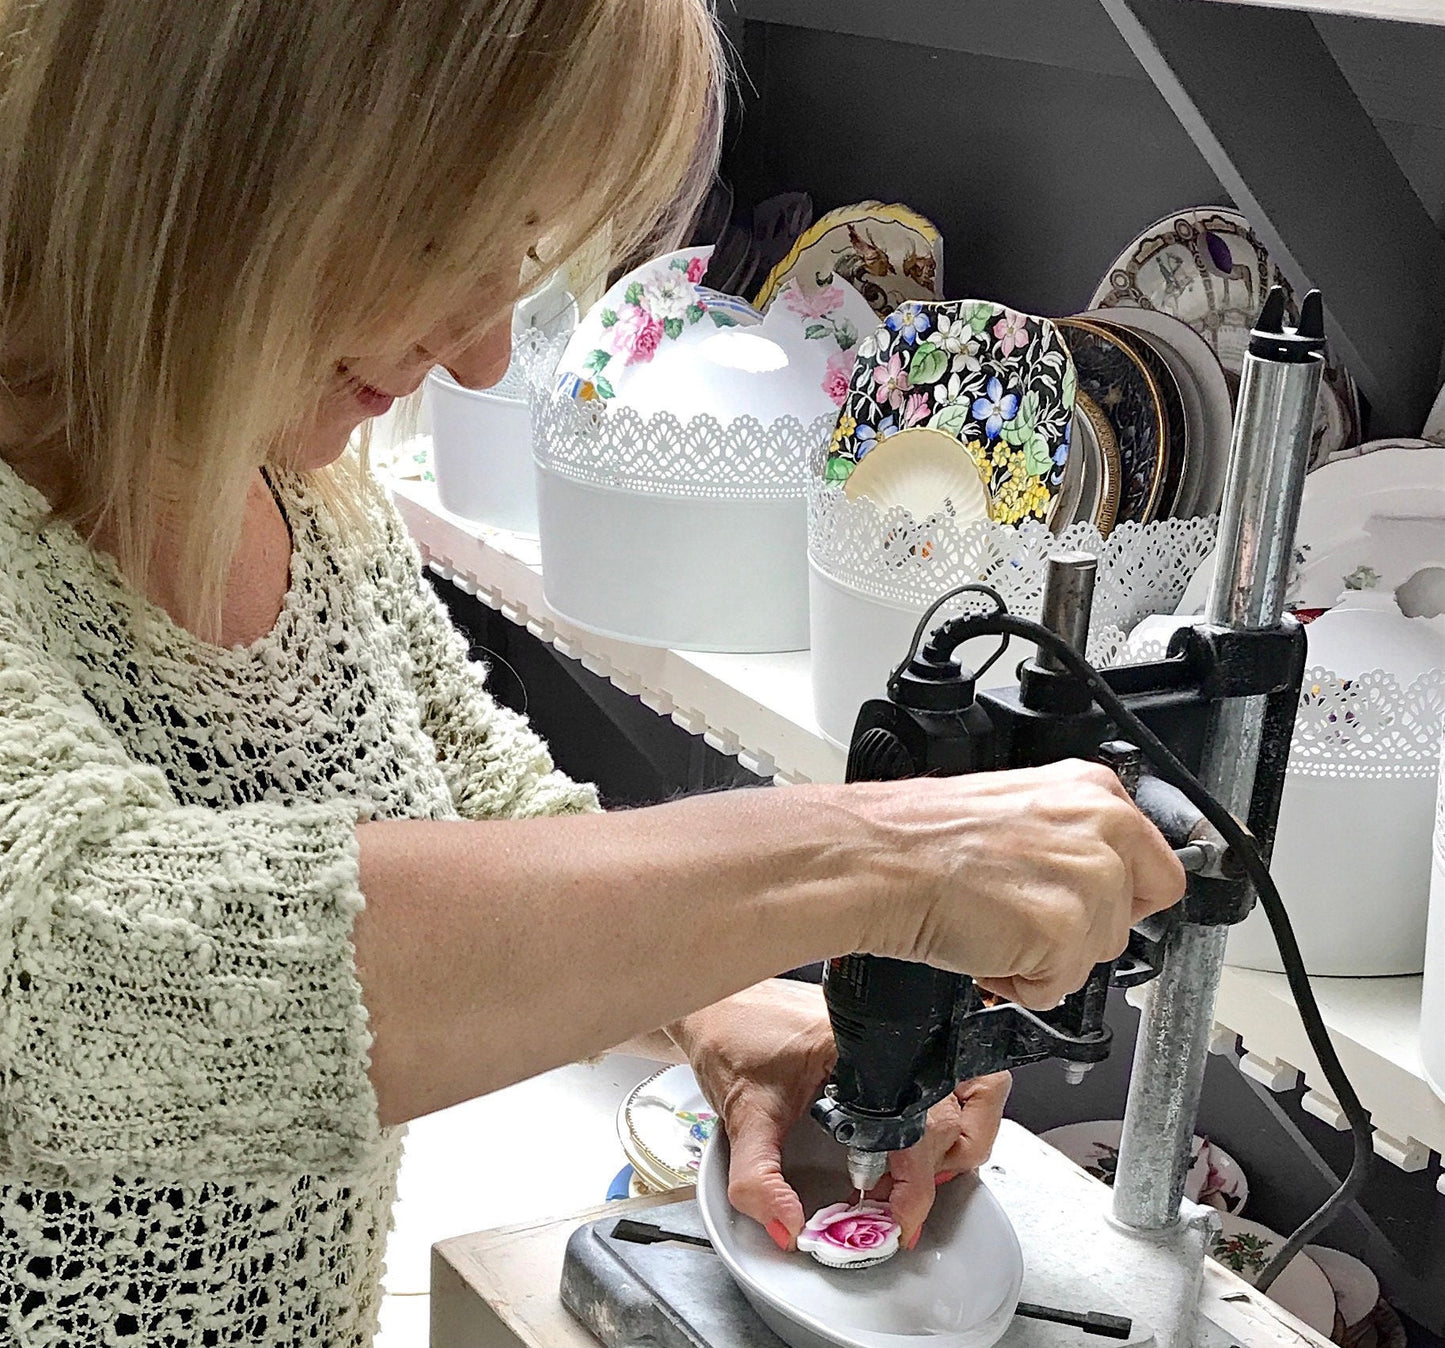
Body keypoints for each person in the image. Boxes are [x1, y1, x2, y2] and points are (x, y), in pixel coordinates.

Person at [0, 1, 1184, 1343]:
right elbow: (89, 974)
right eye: (444, 239)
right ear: (214, 137)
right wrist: (874, 860)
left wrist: (717, 1004)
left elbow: (479, 805)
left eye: (521, 257)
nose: (485, 352)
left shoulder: (288, 474)